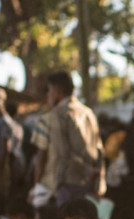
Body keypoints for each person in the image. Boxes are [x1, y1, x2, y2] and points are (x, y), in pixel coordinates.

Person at [42, 71, 105, 206]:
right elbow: (100, 149)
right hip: (91, 183)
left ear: (57, 90)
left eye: (49, 90)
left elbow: (63, 154)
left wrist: (88, 170)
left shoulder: (58, 113)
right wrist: (99, 178)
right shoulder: (88, 112)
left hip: (70, 182)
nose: (48, 95)